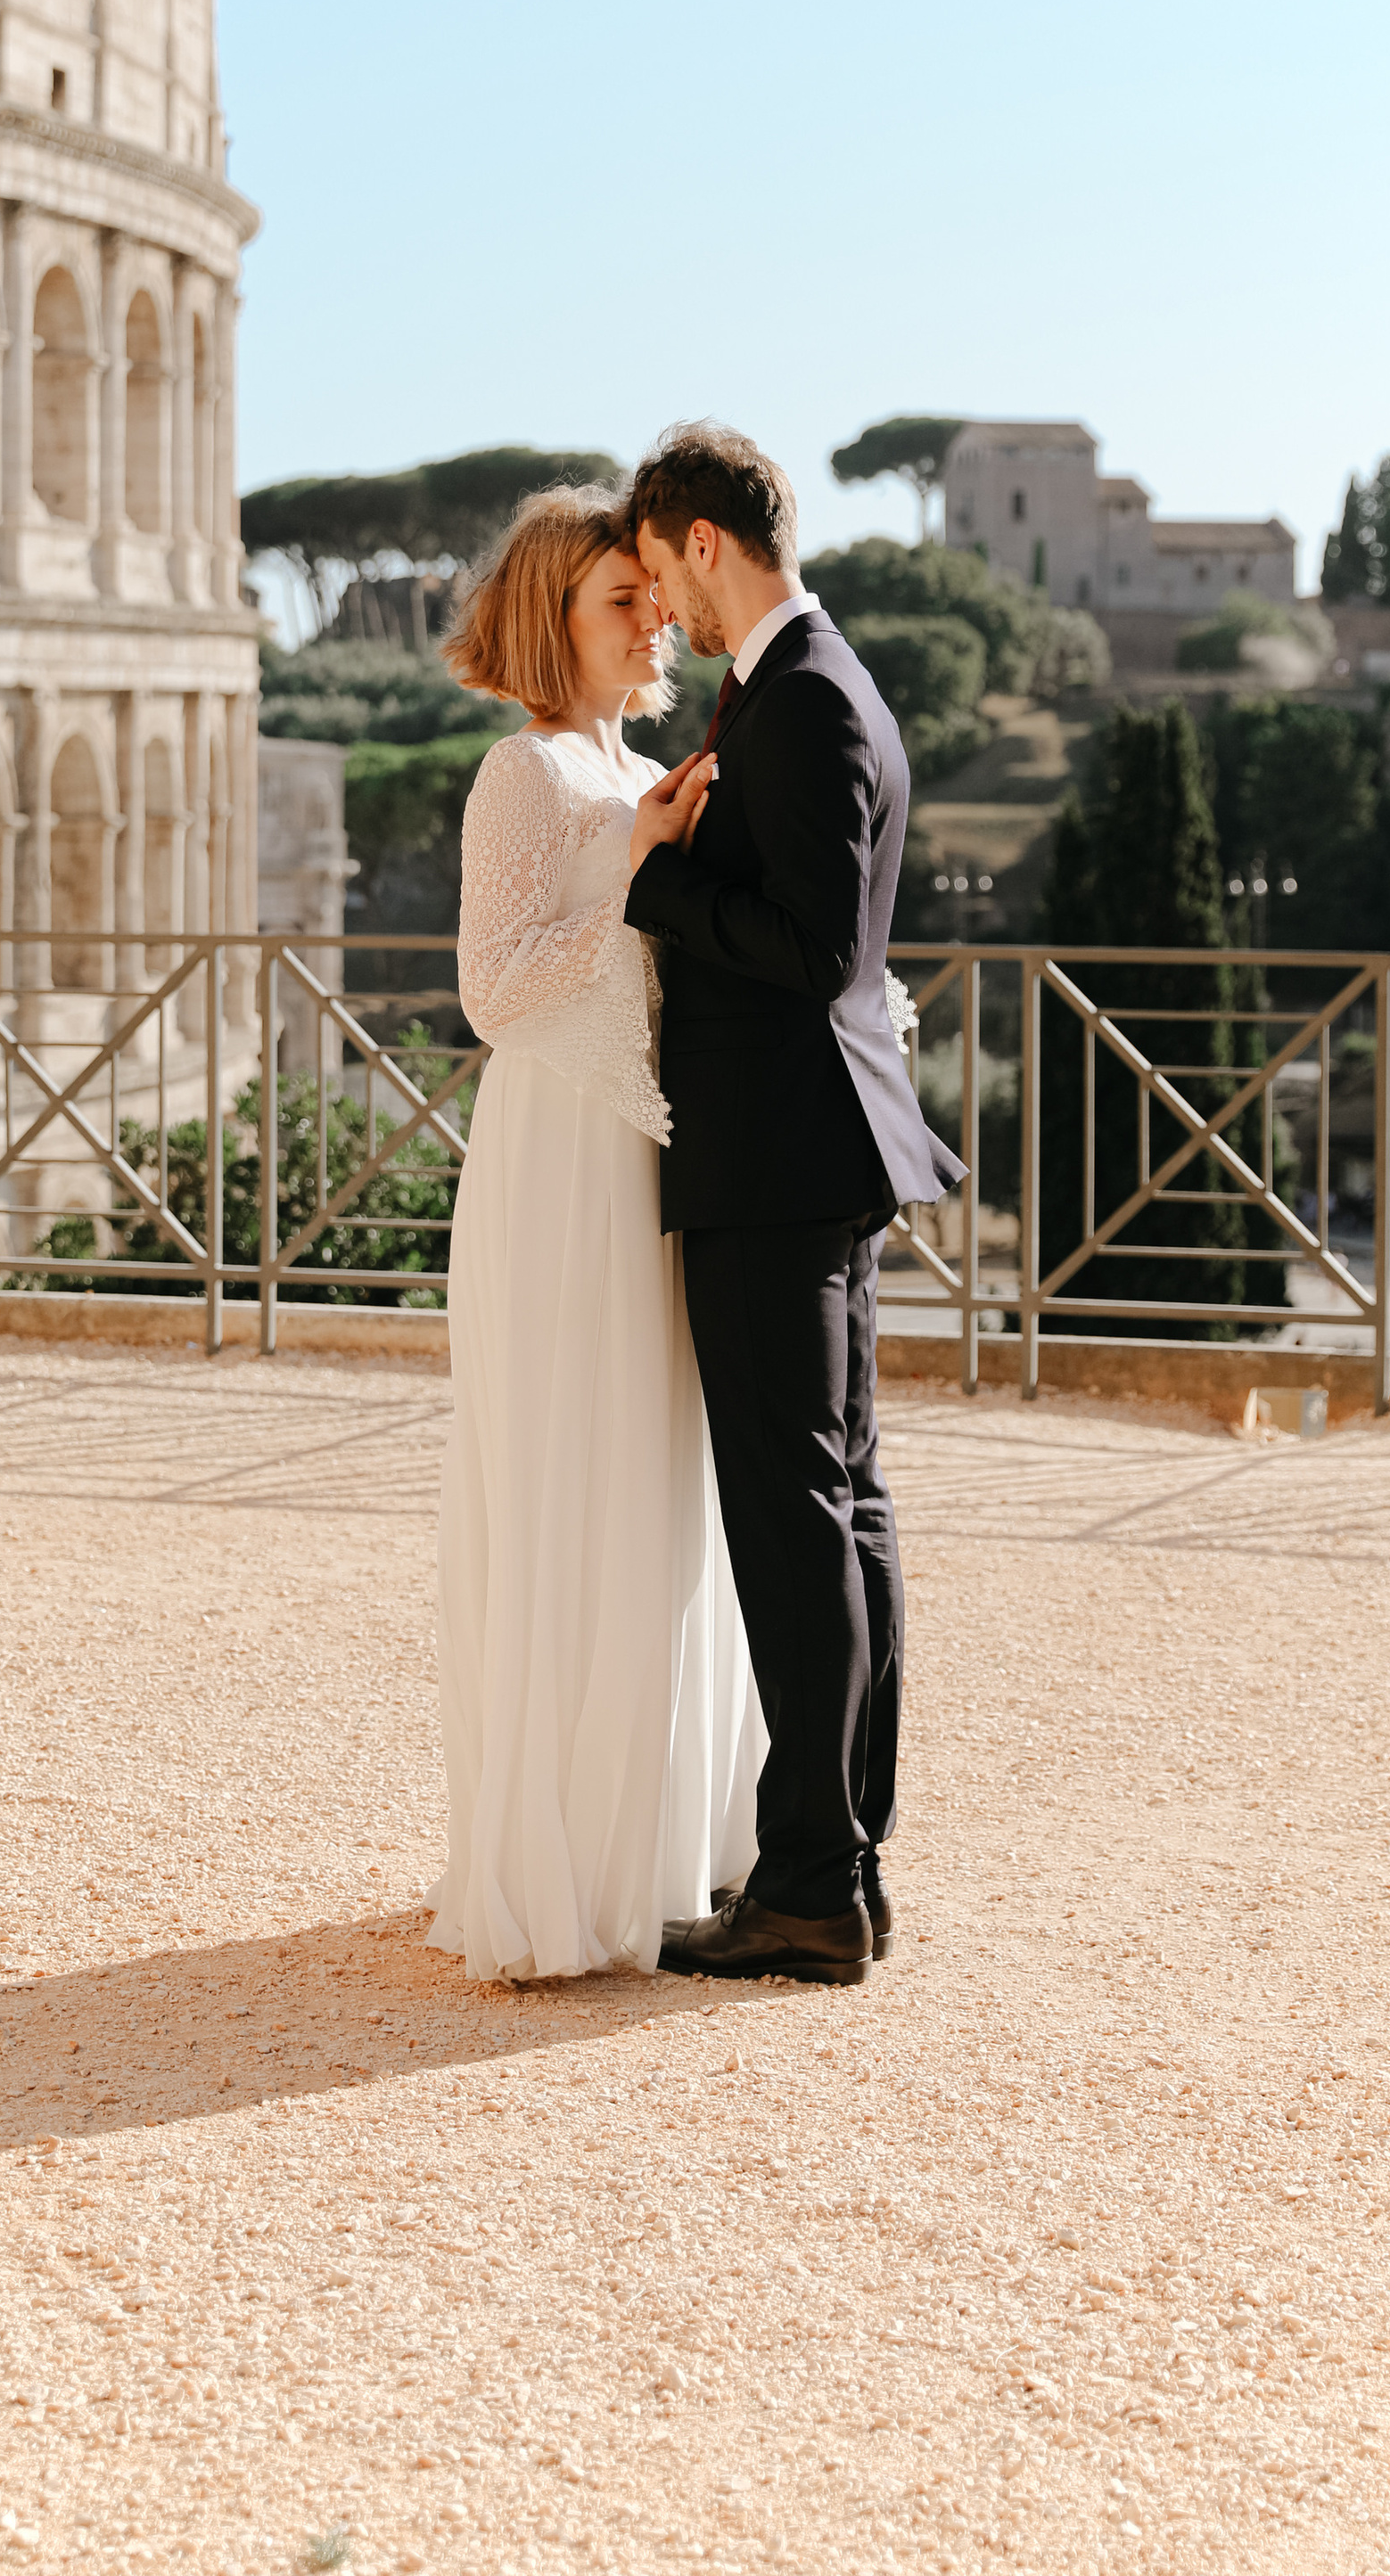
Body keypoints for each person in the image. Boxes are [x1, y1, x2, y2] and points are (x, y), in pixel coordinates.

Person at [624, 422, 965, 1986]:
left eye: (660, 571)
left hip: (778, 1157)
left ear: (705, 540)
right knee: (843, 1508)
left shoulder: (808, 696)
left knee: (797, 1518)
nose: (663, 611)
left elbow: (816, 949)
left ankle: (815, 1881)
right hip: (815, 1153)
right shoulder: (813, 682)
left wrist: (661, 884)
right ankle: (844, 1859)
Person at [427, 487, 763, 1982]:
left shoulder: (630, 767)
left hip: (647, 1156)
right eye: (619, 601)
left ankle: (657, 1847)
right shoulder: (525, 772)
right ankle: (557, 1872)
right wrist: (637, 863)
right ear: (549, 622)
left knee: (653, 1477)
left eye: (649, 596)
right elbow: (494, 992)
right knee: (568, 1475)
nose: (653, 623)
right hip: (556, 1161)